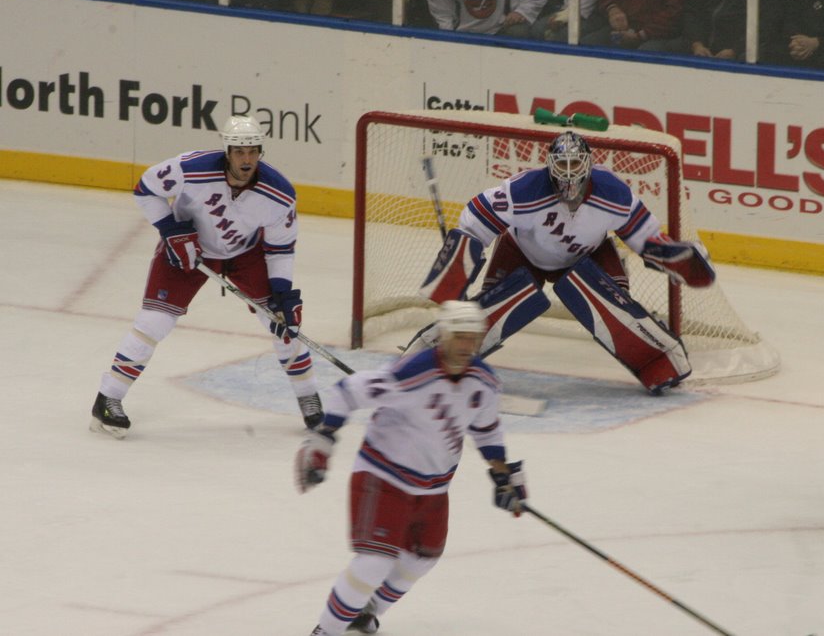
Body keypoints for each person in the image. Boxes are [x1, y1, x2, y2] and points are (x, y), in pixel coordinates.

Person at [404, 130, 716, 394]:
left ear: (589, 164)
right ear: (550, 165)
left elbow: (644, 235)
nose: (569, 171)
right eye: (563, 163)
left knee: (615, 304)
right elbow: (475, 218)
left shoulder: (612, 192)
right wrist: (457, 267)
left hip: (590, 255)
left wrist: (667, 254)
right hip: (523, 253)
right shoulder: (525, 190)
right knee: (487, 312)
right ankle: (437, 359)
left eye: (575, 162)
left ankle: (658, 361)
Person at [296, 300, 527, 635]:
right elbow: (347, 392)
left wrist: (503, 475)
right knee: (375, 562)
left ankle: (365, 613)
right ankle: (326, 631)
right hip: (383, 477)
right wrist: (321, 442)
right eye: (459, 336)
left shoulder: (484, 382)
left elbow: (486, 429)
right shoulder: (412, 373)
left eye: (472, 338)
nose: (466, 345)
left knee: (421, 559)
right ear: (444, 336)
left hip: (434, 489)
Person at [89, 115, 323, 438]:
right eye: (239, 151)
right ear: (227, 151)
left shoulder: (279, 194)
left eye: (253, 151)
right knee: (153, 323)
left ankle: (308, 396)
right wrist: (171, 230)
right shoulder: (190, 169)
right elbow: (146, 188)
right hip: (188, 249)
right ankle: (108, 398)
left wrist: (282, 293)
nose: (246, 159)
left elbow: (281, 248)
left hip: (246, 255)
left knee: (283, 325)